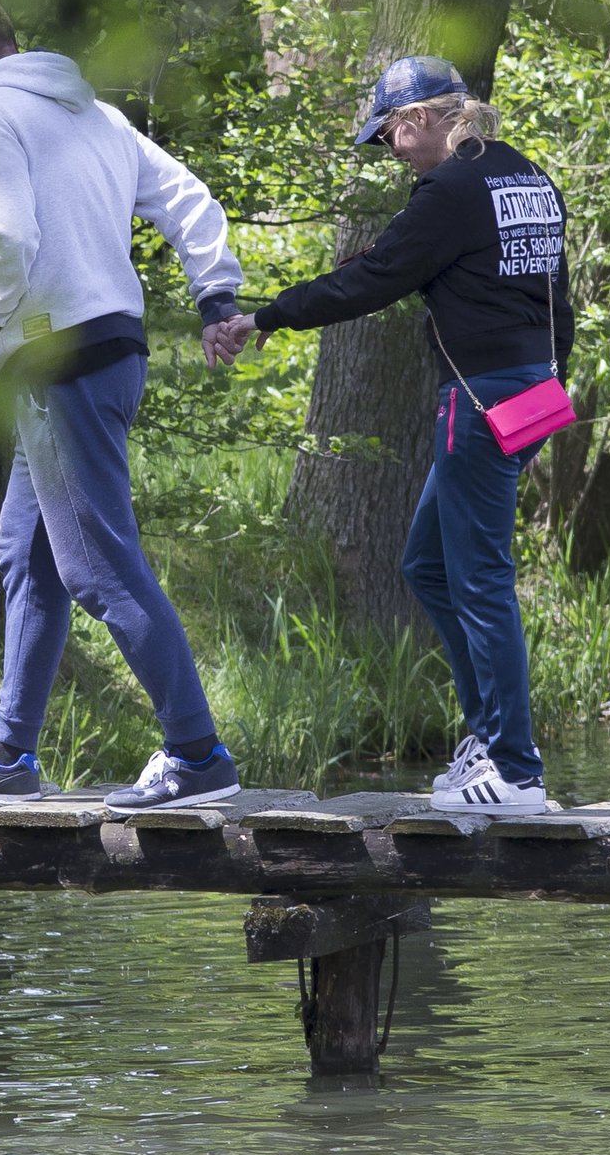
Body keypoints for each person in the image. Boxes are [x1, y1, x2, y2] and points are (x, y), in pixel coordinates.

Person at [0, 0, 246, 813]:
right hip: (115, 352)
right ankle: (7, 755)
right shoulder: (94, 113)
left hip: (59, 361)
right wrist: (216, 296)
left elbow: (8, 236)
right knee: (26, 552)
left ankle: (197, 754)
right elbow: (189, 199)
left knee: (97, 567)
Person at [223, 55, 573, 814]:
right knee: (427, 565)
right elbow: (559, 295)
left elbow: (370, 279)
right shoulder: (525, 176)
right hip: (532, 389)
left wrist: (263, 317)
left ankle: (516, 772)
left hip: (480, 399)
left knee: (479, 578)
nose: (388, 155)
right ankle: (488, 736)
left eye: (386, 138)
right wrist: (552, 385)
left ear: (414, 120)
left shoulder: (448, 192)